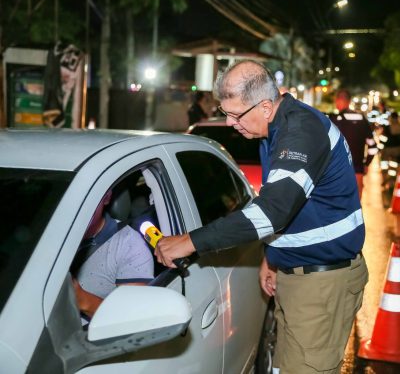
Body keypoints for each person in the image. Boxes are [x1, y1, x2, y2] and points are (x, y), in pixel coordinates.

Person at [155, 60, 368, 373]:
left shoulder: (301, 132)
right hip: (302, 276)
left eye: (235, 114)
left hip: (323, 283)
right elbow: (286, 203)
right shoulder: (275, 128)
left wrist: (189, 242)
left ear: (266, 106)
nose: (230, 123)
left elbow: (273, 211)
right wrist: (273, 255)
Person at [71, 189, 154, 321]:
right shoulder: (44, 236)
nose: (80, 206)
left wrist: (82, 300)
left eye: (89, 196)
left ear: (107, 197)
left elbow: (135, 319)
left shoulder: (129, 245)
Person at [331, 89, 378, 195]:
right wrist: (366, 164)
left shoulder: (333, 120)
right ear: (349, 101)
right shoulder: (361, 119)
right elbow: (373, 147)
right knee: (354, 207)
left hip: (335, 172)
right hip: (357, 171)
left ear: (338, 101)